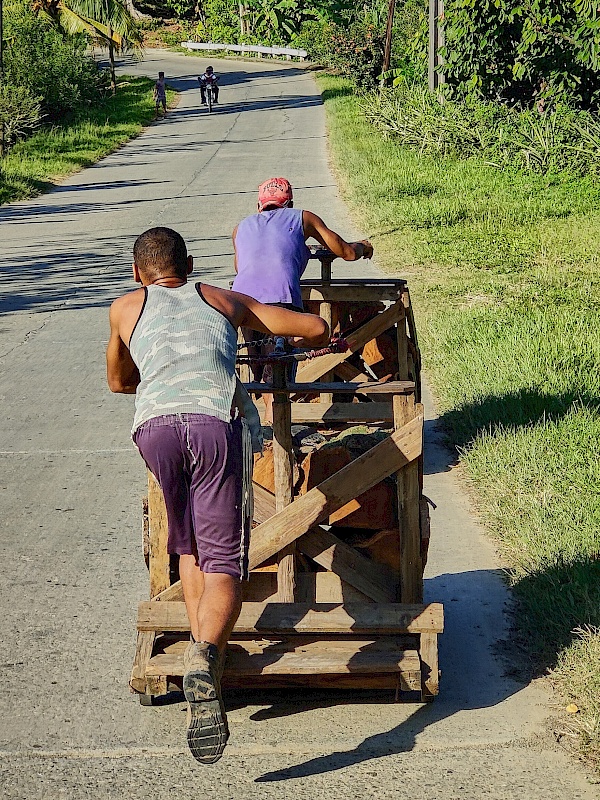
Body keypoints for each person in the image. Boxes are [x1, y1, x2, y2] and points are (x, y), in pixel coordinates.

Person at [106, 227, 328, 765]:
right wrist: (276, 325)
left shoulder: (125, 306)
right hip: (213, 423)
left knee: (189, 549)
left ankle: (200, 647)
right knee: (226, 556)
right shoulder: (219, 298)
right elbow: (313, 328)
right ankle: (205, 656)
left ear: (139, 273)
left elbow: (117, 381)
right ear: (189, 264)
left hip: (154, 428)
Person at [231, 176, 374, 421]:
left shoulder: (240, 228)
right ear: (290, 202)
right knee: (279, 379)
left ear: (259, 206)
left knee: (263, 377)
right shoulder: (303, 218)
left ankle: (266, 437)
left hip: (243, 305)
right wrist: (363, 246)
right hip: (282, 303)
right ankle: (277, 441)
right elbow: (346, 252)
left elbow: (241, 268)